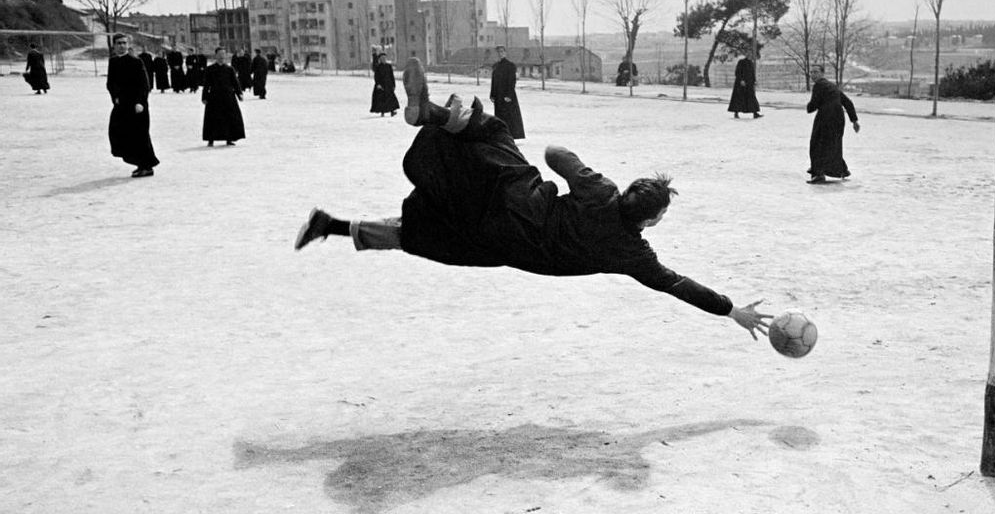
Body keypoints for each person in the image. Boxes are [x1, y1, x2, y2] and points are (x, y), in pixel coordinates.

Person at [295, 58, 773, 340]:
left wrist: (583, 174)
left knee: (493, 137)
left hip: (516, 198)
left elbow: (554, 153)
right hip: (500, 243)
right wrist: (732, 310)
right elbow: (678, 285)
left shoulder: (601, 192)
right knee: (422, 236)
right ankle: (334, 222)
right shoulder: (632, 254)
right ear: (651, 222)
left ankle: (439, 117)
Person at [106, 34, 159, 178]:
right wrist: (115, 97)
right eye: (118, 43)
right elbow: (110, 83)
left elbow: (144, 84)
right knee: (119, 133)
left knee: (139, 136)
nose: (121, 46)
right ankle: (138, 163)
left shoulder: (136, 62)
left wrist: (140, 102)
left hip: (137, 106)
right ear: (114, 46)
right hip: (121, 105)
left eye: (124, 43)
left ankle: (147, 166)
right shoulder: (113, 62)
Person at [805, 65, 859, 184]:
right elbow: (847, 102)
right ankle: (842, 170)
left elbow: (814, 104)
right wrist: (854, 121)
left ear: (822, 74)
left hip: (826, 117)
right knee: (833, 144)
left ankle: (818, 173)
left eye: (816, 72)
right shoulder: (832, 86)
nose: (813, 74)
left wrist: (808, 107)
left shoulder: (819, 85)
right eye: (812, 72)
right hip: (838, 118)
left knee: (817, 143)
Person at [201, 46, 245, 147]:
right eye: (220, 54)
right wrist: (204, 97)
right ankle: (211, 139)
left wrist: (239, 94)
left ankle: (229, 139)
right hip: (214, 98)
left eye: (223, 54)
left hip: (228, 97)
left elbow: (235, 83)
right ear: (216, 55)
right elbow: (206, 84)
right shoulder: (210, 69)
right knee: (213, 119)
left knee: (229, 118)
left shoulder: (229, 69)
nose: (221, 56)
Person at [489, 45, 525, 140]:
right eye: (498, 52)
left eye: (502, 52)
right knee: (499, 115)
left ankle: (511, 136)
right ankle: (501, 135)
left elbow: (512, 81)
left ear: (505, 53)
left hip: (507, 95)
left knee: (509, 116)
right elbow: (494, 81)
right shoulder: (496, 66)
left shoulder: (510, 66)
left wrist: (509, 95)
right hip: (498, 95)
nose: (500, 54)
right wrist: (492, 94)